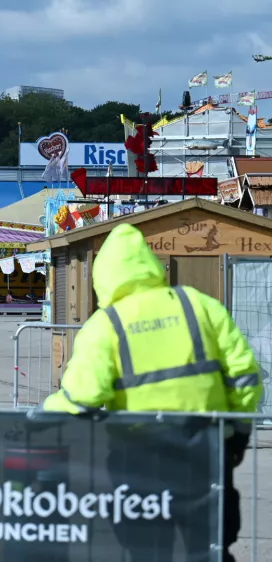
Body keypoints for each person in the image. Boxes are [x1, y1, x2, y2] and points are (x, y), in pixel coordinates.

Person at [43, 224, 261, 562]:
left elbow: (80, 396)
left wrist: (38, 418)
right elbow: (245, 376)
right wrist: (237, 434)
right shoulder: (200, 306)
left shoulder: (105, 325)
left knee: (146, 551)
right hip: (204, 451)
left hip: (139, 459)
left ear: (103, 277)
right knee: (210, 549)